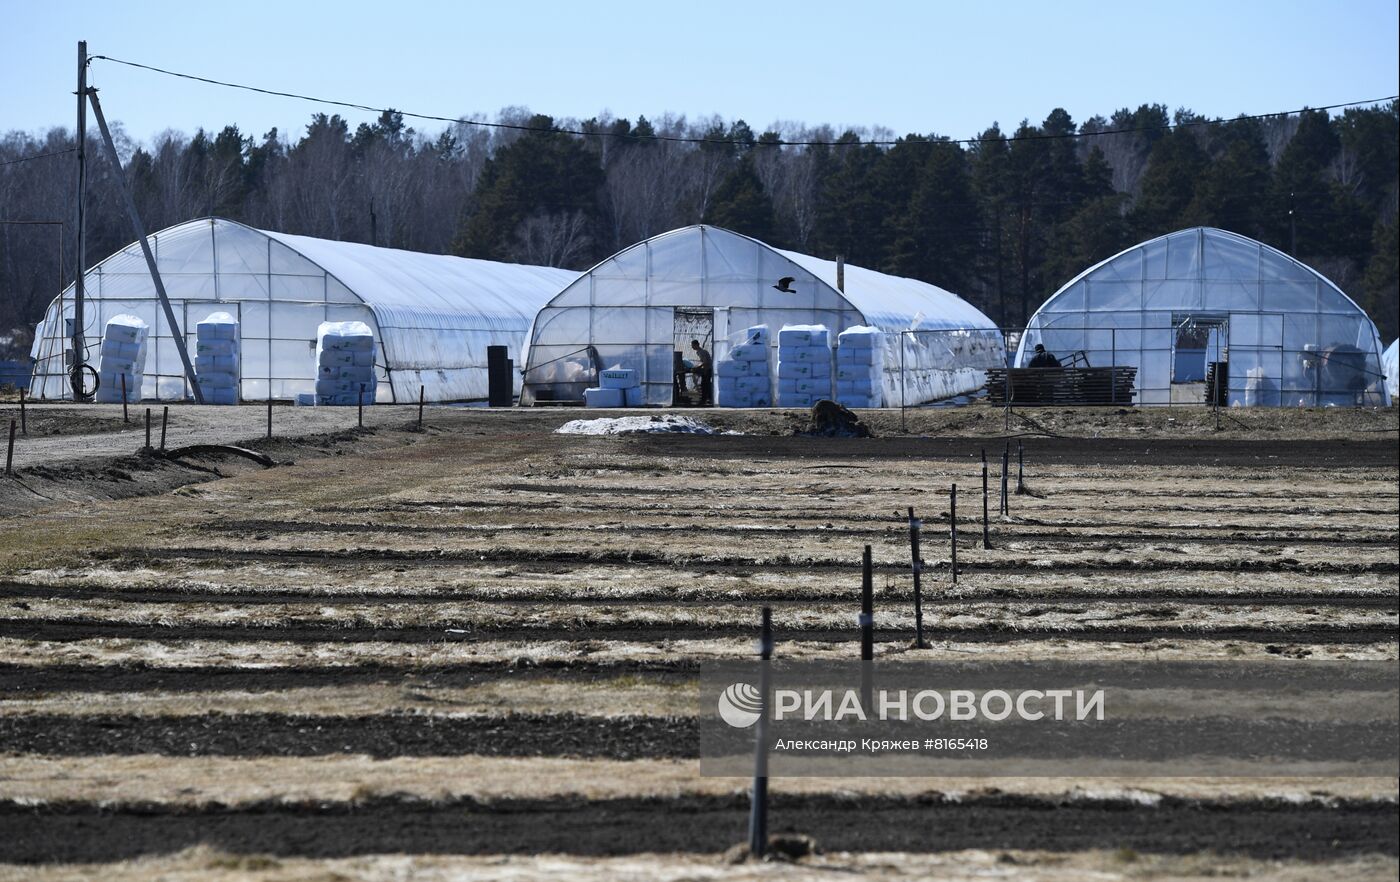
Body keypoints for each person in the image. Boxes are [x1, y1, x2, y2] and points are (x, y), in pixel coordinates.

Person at [690, 339, 713, 404]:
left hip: (707, 370)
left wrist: (698, 367)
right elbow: (703, 362)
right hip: (705, 370)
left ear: (697, 345)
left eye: (693, 345)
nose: (692, 347)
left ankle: (705, 399)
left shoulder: (702, 352)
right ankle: (706, 399)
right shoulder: (699, 352)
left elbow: (705, 362)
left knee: (705, 385)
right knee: (704, 385)